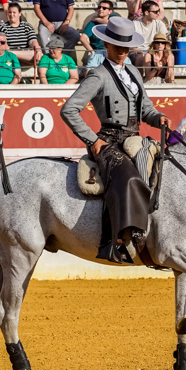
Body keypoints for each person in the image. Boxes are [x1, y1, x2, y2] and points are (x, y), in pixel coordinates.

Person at [61, 17, 171, 265]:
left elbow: (146, 110)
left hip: (133, 138)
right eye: (118, 46)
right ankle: (116, 241)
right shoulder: (98, 76)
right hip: (108, 141)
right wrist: (92, 140)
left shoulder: (134, 72)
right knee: (128, 177)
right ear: (106, 44)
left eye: (126, 47)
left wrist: (159, 118)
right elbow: (69, 109)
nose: (122, 51)